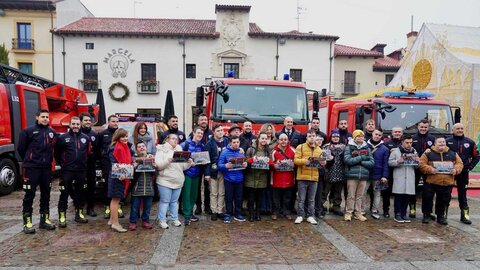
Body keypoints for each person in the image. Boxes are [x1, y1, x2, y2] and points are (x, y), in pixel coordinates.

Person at [17, 109, 57, 234]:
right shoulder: (28, 131)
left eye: (47, 117)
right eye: (43, 116)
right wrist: (30, 159)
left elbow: (54, 148)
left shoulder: (52, 132)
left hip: (46, 169)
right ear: (37, 117)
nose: (45, 119)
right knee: (30, 194)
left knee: (46, 194)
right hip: (31, 168)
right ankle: (27, 222)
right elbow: (21, 148)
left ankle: (44, 220)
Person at [55, 116, 91, 228]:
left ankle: (79, 213)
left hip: (81, 170)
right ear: (70, 125)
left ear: (80, 125)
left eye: (77, 124)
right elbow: (57, 153)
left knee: (81, 193)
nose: (75, 126)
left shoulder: (85, 138)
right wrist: (63, 164)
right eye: (73, 124)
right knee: (64, 193)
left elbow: (88, 153)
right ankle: (62, 216)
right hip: (67, 171)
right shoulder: (62, 138)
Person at [420, 137, 463, 225]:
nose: (442, 143)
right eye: (439, 142)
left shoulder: (453, 154)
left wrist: (456, 170)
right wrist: (430, 169)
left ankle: (440, 216)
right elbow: (421, 164)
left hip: (447, 182)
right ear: (435, 143)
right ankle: (426, 215)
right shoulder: (428, 154)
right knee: (427, 199)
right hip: (431, 181)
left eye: (443, 142)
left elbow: (460, 164)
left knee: (443, 200)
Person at [155, 134, 193, 229]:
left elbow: (183, 167)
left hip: (178, 180)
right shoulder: (161, 149)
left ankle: (174, 219)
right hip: (165, 180)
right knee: (165, 201)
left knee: (174, 202)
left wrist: (189, 164)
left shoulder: (179, 149)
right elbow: (158, 165)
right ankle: (162, 220)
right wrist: (168, 161)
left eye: (176, 139)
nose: (175, 140)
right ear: (167, 139)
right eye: (173, 138)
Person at [446, 123, 480, 224]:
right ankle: (443, 215)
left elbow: (477, 156)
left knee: (463, 194)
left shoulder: (469, 142)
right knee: (446, 193)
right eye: (457, 128)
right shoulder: (447, 141)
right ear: (453, 130)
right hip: (450, 172)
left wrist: (470, 167)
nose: (460, 130)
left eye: (461, 128)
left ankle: (465, 216)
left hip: (463, 172)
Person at [293, 129, 326, 225]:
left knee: (312, 199)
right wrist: (305, 161)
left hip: (314, 177)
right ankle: (300, 215)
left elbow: (322, 163)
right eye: (310, 136)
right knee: (301, 199)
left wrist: (324, 163)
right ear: (306, 137)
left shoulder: (319, 149)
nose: (312, 138)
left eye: (313, 136)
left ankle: (310, 216)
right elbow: (296, 160)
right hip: (302, 177)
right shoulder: (301, 147)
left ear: (316, 137)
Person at [343, 130, 374, 222]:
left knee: (360, 196)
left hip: (363, 175)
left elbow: (372, 162)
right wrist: (361, 158)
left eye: (362, 136)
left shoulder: (367, 148)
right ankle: (348, 213)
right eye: (358, 136)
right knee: (351, 195)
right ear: (354, 137)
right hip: (352, 175)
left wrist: (361, 161)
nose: (360, 138)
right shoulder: (349, 147)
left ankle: (358, 213)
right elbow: (347, 160)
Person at [388, 134, 419, 223]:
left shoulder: (414, 151)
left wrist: (417, 162)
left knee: (407, 196)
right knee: (398, 196)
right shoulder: (395, 152)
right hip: (399, 176)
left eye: (410, 143)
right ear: (402, 142)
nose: (409, 144)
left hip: (409, 177)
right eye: (407, 142)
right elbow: (390, 162)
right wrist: (398, 161)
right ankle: (397, 213)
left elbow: (417, 166)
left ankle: (404, 213)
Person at [108, 128, 134, 233]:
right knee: (116, 200)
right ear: (118, 137)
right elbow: (114, 163)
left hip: (122, 177)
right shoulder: (115, 147)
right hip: (117, 177)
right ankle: (115, 223)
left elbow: (130, 158)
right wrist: (121, 174)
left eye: (126, 136)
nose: (125, 138)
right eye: (123, 136)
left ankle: (111, 220)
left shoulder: (126, 146)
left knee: (115, 200)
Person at [218, 135, 248, 223]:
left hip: (239, 179)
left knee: (239, 197)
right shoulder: (224, 152)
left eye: (237, 142)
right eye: (234, 142)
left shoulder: (241, 152)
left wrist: (245, 165)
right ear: (230, 143)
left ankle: (238, 213)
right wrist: (225, 166)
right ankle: (228, 213)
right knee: (229, 197)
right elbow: (219, 165)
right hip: (229, 179)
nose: (236, 144)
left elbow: (243, 163)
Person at [410, 119, 435, 218]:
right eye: (421, 127)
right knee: (413, 189)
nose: (423, 129)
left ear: (428, 127)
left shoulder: (432, 138)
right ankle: (412, 209)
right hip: (415, 167)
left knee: (428, 191)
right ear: (418, 127)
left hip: (427, 168)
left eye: (425, 127)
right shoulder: (413, 138)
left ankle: (427, 212)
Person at [128, 141, 156, 231]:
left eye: (143, 146)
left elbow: (155, 173)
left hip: (149, 187)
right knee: (135, 207)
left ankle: (145, 221)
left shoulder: (151, 158)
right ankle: (132, 222)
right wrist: (134, 167)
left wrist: (155, 166)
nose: (142, 148)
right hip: (137, 187)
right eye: (139, 147)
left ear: (146, 148)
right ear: (136, 149)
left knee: (147, 207)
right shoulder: (133, 159)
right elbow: (130, 174)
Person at [98, 114, 121, 219]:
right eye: (113, 121)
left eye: (117, 121)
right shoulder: (102, 134)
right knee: (107, 185)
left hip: (119, 164)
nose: (115, 123)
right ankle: (107, 206)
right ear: (108, 122)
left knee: (119, 185)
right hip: (107, 164)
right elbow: (98, 149)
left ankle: (118, 206)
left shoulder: (120, 134)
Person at [244, 132, 272, 222]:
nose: (264, 140)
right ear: (258, 139)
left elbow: (271, 162)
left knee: (260, 198)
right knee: (251, 198)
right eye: (262, 138)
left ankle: (258, 214)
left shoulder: (268, 151)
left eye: (265, 139)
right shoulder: (250, 150)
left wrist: (269, 162)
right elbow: (245, 161)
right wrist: (252, 160)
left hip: (262, 177)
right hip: (251, 176)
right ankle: (251, 214)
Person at [204, 124, 229, 221]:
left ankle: (220, 211)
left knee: (222, 192)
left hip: (224, 171)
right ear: (213, 132)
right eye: (218, 130)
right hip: (213, 171)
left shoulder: (227, 141)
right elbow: (206, 160)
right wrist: (207, 174)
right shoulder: (209, 144)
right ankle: (214, 211)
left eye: (221, 130)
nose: (220, 132)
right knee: (213, 193)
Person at [363, 129, 389, 220]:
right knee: (363, 192)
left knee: (377, 193)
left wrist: (384, 176)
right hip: (366, 173)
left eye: (379, 135)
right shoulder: (365, 145)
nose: (377, 136)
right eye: (376, 134)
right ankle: (362, 209)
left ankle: (375, 210)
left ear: (381, 136)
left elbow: (385, 163)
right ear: (372, 134)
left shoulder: (384, 148)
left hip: (378, 174)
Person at [180, 126, 204, 225]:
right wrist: (188, 161)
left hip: (197, 173)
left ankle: (190, 212)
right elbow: (178, 158)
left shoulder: (201, 145)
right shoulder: (185, 144)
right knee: (186, 195)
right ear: (193, 133)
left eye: (202, 134)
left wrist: (203, 161)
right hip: (187, 173)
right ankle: (186, 215)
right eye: (198, 133)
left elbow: (203, 157)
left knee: (194, 195)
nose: (200, 135)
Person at [271, 133, 296, 220]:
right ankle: (275, 212)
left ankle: (286, 212)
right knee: (276, 197)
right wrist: (274, 165)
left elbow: (296, 162)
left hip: (288, 177)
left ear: (288, 140)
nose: (283, 141)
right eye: (281, 139)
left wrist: (294, 164)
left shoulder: (293, 150)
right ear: (278, 141)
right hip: (276, 177)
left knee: (287, 197)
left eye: (285, 139)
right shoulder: (274, 151)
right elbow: (270, 163)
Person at [193, 113, 213, 216]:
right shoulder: (194, 132)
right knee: (197, 186)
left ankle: (207, 207)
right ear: (198, 121)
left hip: (207, 164)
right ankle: (198, 207)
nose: (204, 121)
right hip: (196, 165)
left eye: (205, 119)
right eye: (202, 120)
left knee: (207, 186)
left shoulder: (211, 133)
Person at [323, 129, 346, 216]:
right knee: (324, 192)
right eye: (334, 136)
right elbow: (323, 159)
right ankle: (322, 207)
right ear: (331, 137)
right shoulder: (326, 147)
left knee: (337, 193)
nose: (335, 138)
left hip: (340, 173)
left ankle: (336, 207)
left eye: (337, 137)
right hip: (329, 172)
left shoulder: (344, 147)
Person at [80, 112, 99, 217]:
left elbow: (97, 149)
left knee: (91, 187)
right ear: (81, 122)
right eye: (85, 120)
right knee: (80, 187)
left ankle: (90, 208)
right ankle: (79, 208)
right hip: (79, 165)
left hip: (91, 164)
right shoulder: (77, 133)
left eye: (89, 120)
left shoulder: (94, 134)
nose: (88, 122)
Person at [382, 126, 403, 218]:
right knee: (387, 192)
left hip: (400, 171)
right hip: (389, 170)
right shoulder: (387, 143)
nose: (397, 133)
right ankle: (386, 210)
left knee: (399, 192)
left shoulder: (404, 143)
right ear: (392, 133)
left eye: (399, 132)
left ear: (402, 133)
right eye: (395, 132)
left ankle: (397, 211)